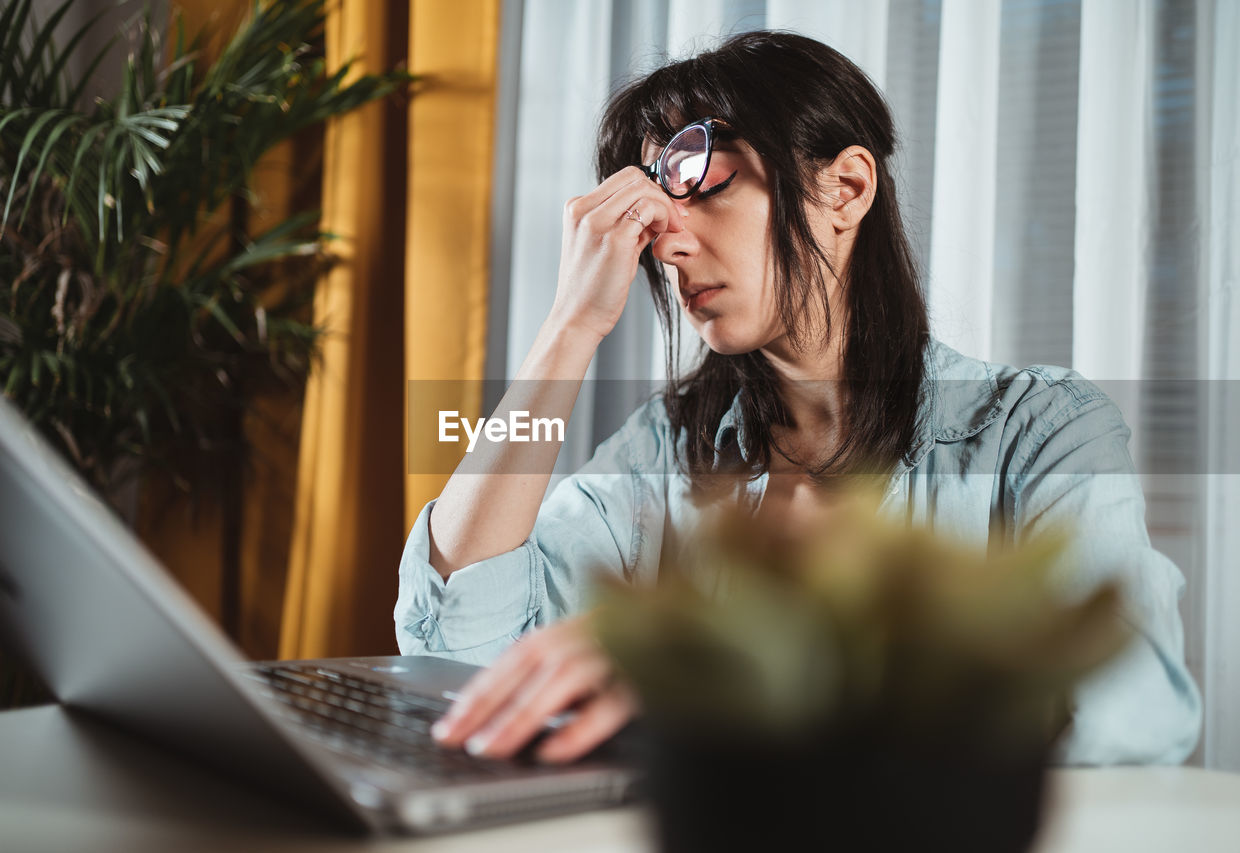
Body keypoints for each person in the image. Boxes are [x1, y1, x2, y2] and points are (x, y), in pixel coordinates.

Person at [394, 31, 1201, 767]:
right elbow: (462, 651)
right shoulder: (664, 452)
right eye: (652, 210)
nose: (668, 243)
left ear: (844, 188)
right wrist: (568, 330)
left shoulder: (1039, 434)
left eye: (704, 186)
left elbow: (1128, 724)